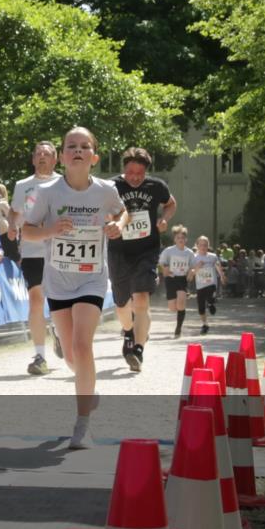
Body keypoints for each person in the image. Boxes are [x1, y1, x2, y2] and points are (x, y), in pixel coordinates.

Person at [22, 127, 126, 449]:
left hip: (92, 278)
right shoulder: (49, 192)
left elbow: (122, 212)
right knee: (70, 355)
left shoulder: (106, 190)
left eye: (84, 146)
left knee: (83, 347)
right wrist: (51, 229)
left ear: (94, 157)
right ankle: (88, 385)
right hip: (58, 281)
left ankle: (82, 426)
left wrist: (117, 226)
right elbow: (26, 231)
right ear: (63, 155)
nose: (78, 151)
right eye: (71, 146)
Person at [106, 147, 176, 373]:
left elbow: (171, 203)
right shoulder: (112, 186)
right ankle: (128, 331)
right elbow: (100, 209)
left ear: (146, 171)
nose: (135, 177)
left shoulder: (156, 186)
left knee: (141, 298)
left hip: (147, 250)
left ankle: (138, 349)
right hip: (119, 251)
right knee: (121, 304)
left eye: (139, 172)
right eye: (130, 172)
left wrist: (164, 219)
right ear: (123, 169)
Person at [10, 141, 61, 375]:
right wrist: (12, 225)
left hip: (59, 248)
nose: (42, 157)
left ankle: (60, 333)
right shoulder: (23, 186)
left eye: (47, 154)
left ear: (55, 159)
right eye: (38, 154)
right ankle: (40, 355)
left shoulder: (64, 183)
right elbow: (15, 210)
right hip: (32, 248)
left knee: (59, 300)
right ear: (32, 159)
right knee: (35, 298)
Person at [159, 225, 195, 338]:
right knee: (172, 308)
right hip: (171, 278)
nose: (180, 239)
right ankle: (177, 310)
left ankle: (178, 328)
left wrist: (191, 272)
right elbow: (161, 262)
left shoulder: (189, 253)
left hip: (182, 279)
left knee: (181, 303)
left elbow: (192, 266)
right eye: (178, 237)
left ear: (186, 239)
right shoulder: (169, 251)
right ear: (175, 239)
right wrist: (165, 268)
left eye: (182, 238)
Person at [189, 235, 225, 334]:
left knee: (210, 295)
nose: (203, 247)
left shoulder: (212, 256)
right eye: (201, 245)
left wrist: (222, 276)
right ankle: (205, 324)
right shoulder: (194, 257)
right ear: (197, 245)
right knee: (201, 308)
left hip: (211, 282)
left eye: (205, 245)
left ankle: (211, 303)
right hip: (200, 285)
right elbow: (191, 273)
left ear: (208, 246)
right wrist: (197, 267)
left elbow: (218, 266)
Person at [0, 182, 17, 262]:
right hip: (6, 231)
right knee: (13, 255)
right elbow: (11, 217)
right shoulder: (3, 203)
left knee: (3, 255)